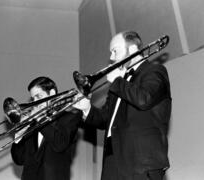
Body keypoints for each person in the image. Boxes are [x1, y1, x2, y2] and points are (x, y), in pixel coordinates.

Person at [73, 31, 172, 180]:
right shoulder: (121, 82)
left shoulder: (154, 71)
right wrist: (86, 108)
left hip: (141, 160)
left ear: (132, 49)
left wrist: (118, 82)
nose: (112, 58)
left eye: (115, 51)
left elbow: (145, 99)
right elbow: (105, 119)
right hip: (114, 159)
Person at [11, 76, 82, 180]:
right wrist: (18, 137)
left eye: (38, 96)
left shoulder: (69, 117)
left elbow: (60, 144)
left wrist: (40, 119)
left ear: (52, 93)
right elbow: (19, 159)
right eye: (33, 98)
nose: (34, 102)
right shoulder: (32, 124)